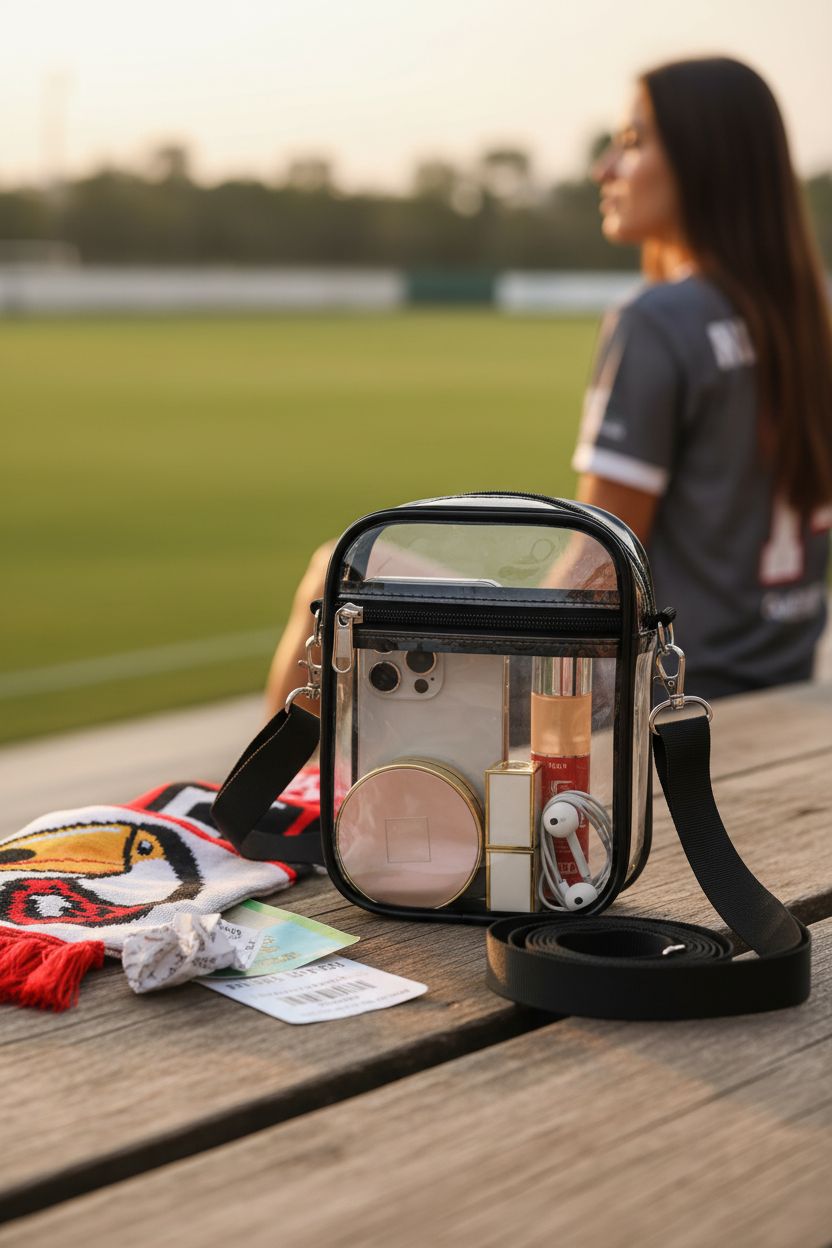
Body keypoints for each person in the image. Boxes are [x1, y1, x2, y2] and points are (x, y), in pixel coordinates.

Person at [266, 55, 832, 714]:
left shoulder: (658, 319)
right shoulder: (810, 317)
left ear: (703, 162)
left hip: (649, 692)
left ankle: (267, 808)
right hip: (775, 679)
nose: (605, 169)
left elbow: (600, 577)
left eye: (632, 143)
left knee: (338, 573)